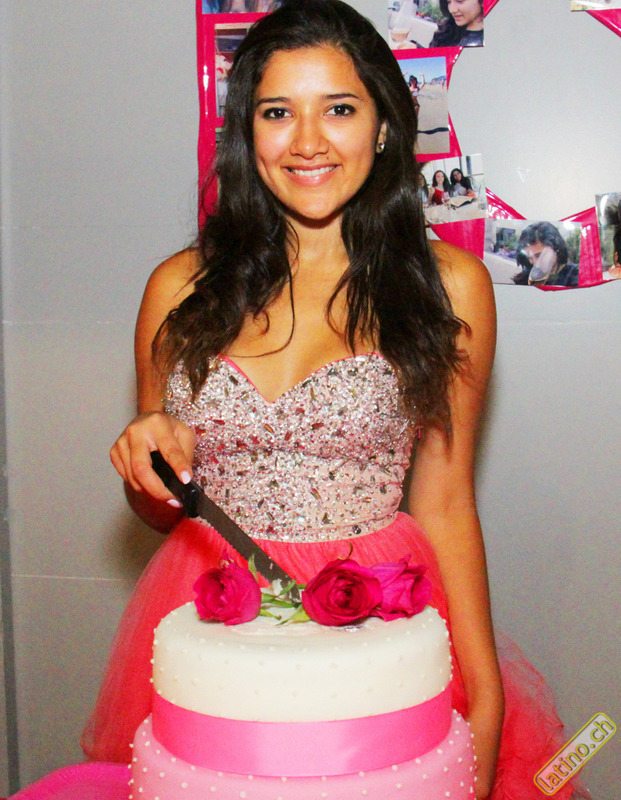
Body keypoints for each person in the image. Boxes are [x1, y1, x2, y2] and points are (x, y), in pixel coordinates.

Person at [82, 3, 589, 799]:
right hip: (211, 617)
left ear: (383, 127)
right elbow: (158, 509)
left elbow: (445, 502)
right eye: (277, 112)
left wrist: (484, 692)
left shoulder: (449, 288)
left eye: (340, 110)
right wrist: (147, 465)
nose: (308, 141)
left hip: (378, 621)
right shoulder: (177, 287)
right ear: (246, 132)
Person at [512, 221, 580, 287]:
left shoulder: (576, 277)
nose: (534, 263)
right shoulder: (527, 276)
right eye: (529, 257)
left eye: (539, 255)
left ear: (556, 249)